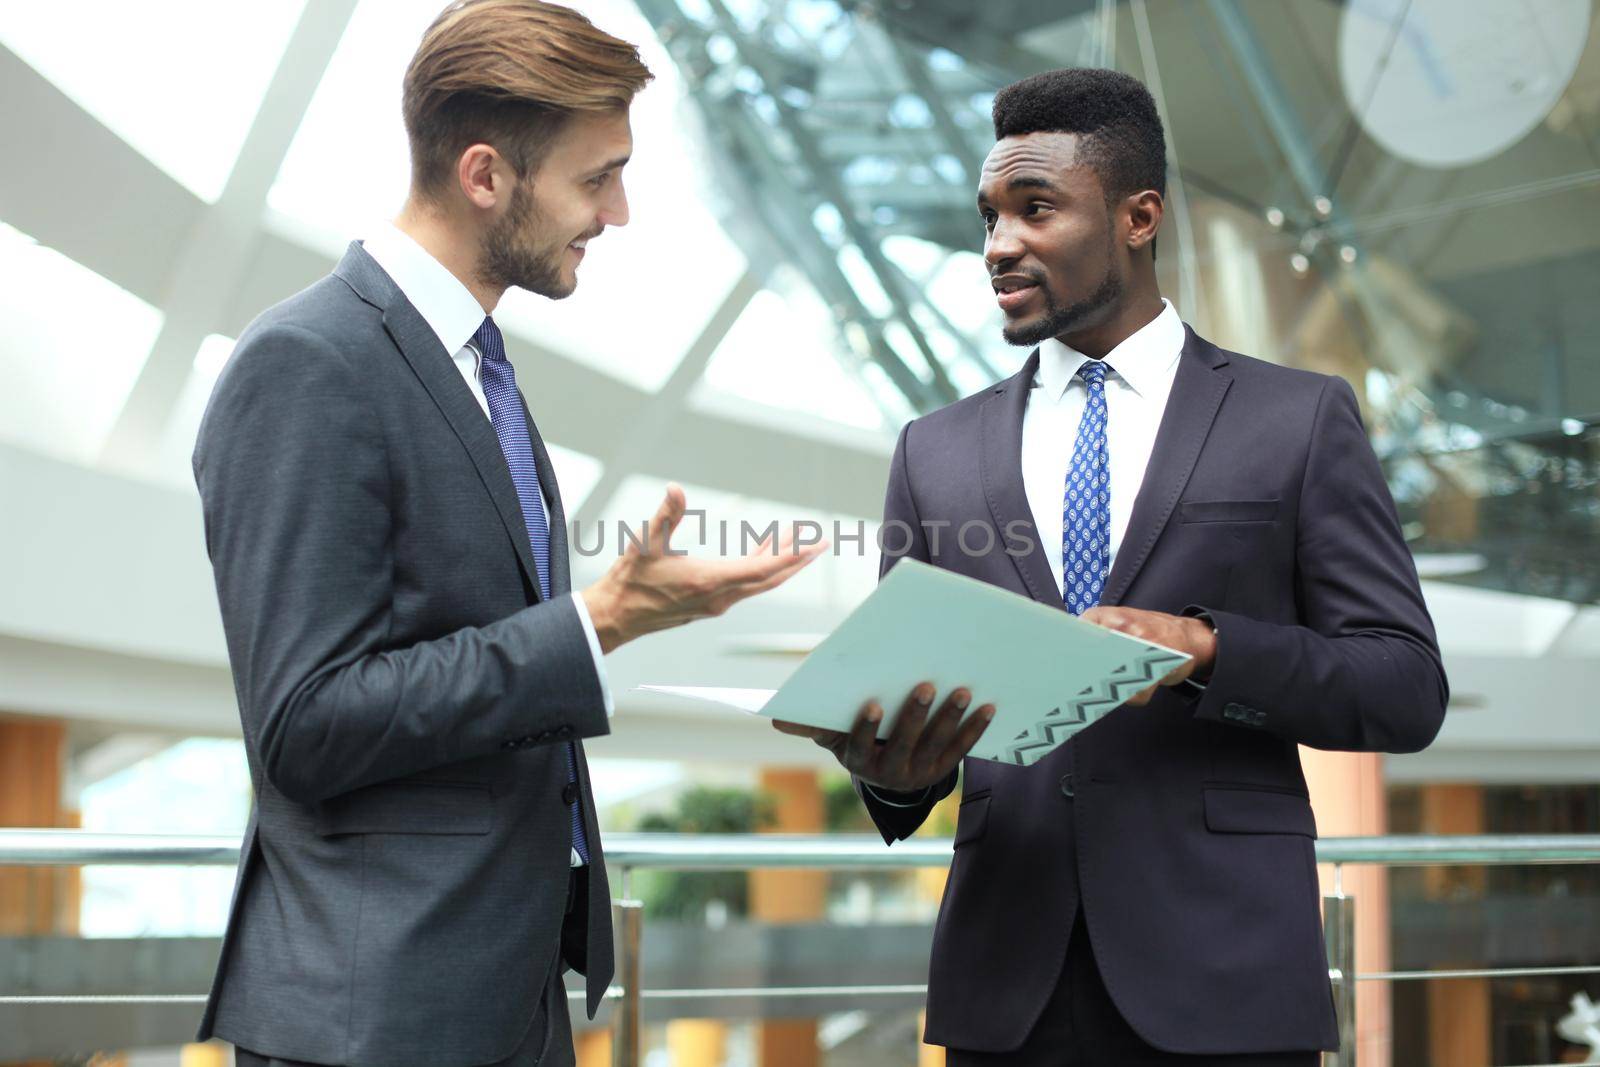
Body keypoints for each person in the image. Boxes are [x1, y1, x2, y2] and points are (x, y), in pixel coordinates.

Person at [191, 3, 823, 1065]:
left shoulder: (477, 368)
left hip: (497, 993)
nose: (617, 211)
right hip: (376, 1022)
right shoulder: (308, 363)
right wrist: (598, 622)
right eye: (596, 177)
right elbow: (304, 723)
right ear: (485, 175)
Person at [777, 68, 1447, 1065]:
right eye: (991, 214)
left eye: (1035, 207)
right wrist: (893, 775)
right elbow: (905, 711)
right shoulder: (934, 450)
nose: (999, 244)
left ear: (1139, 216)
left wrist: (1208, 649)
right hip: (1007, 989)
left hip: (1225, 978)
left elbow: (1403, 686)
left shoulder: (1295, 419)